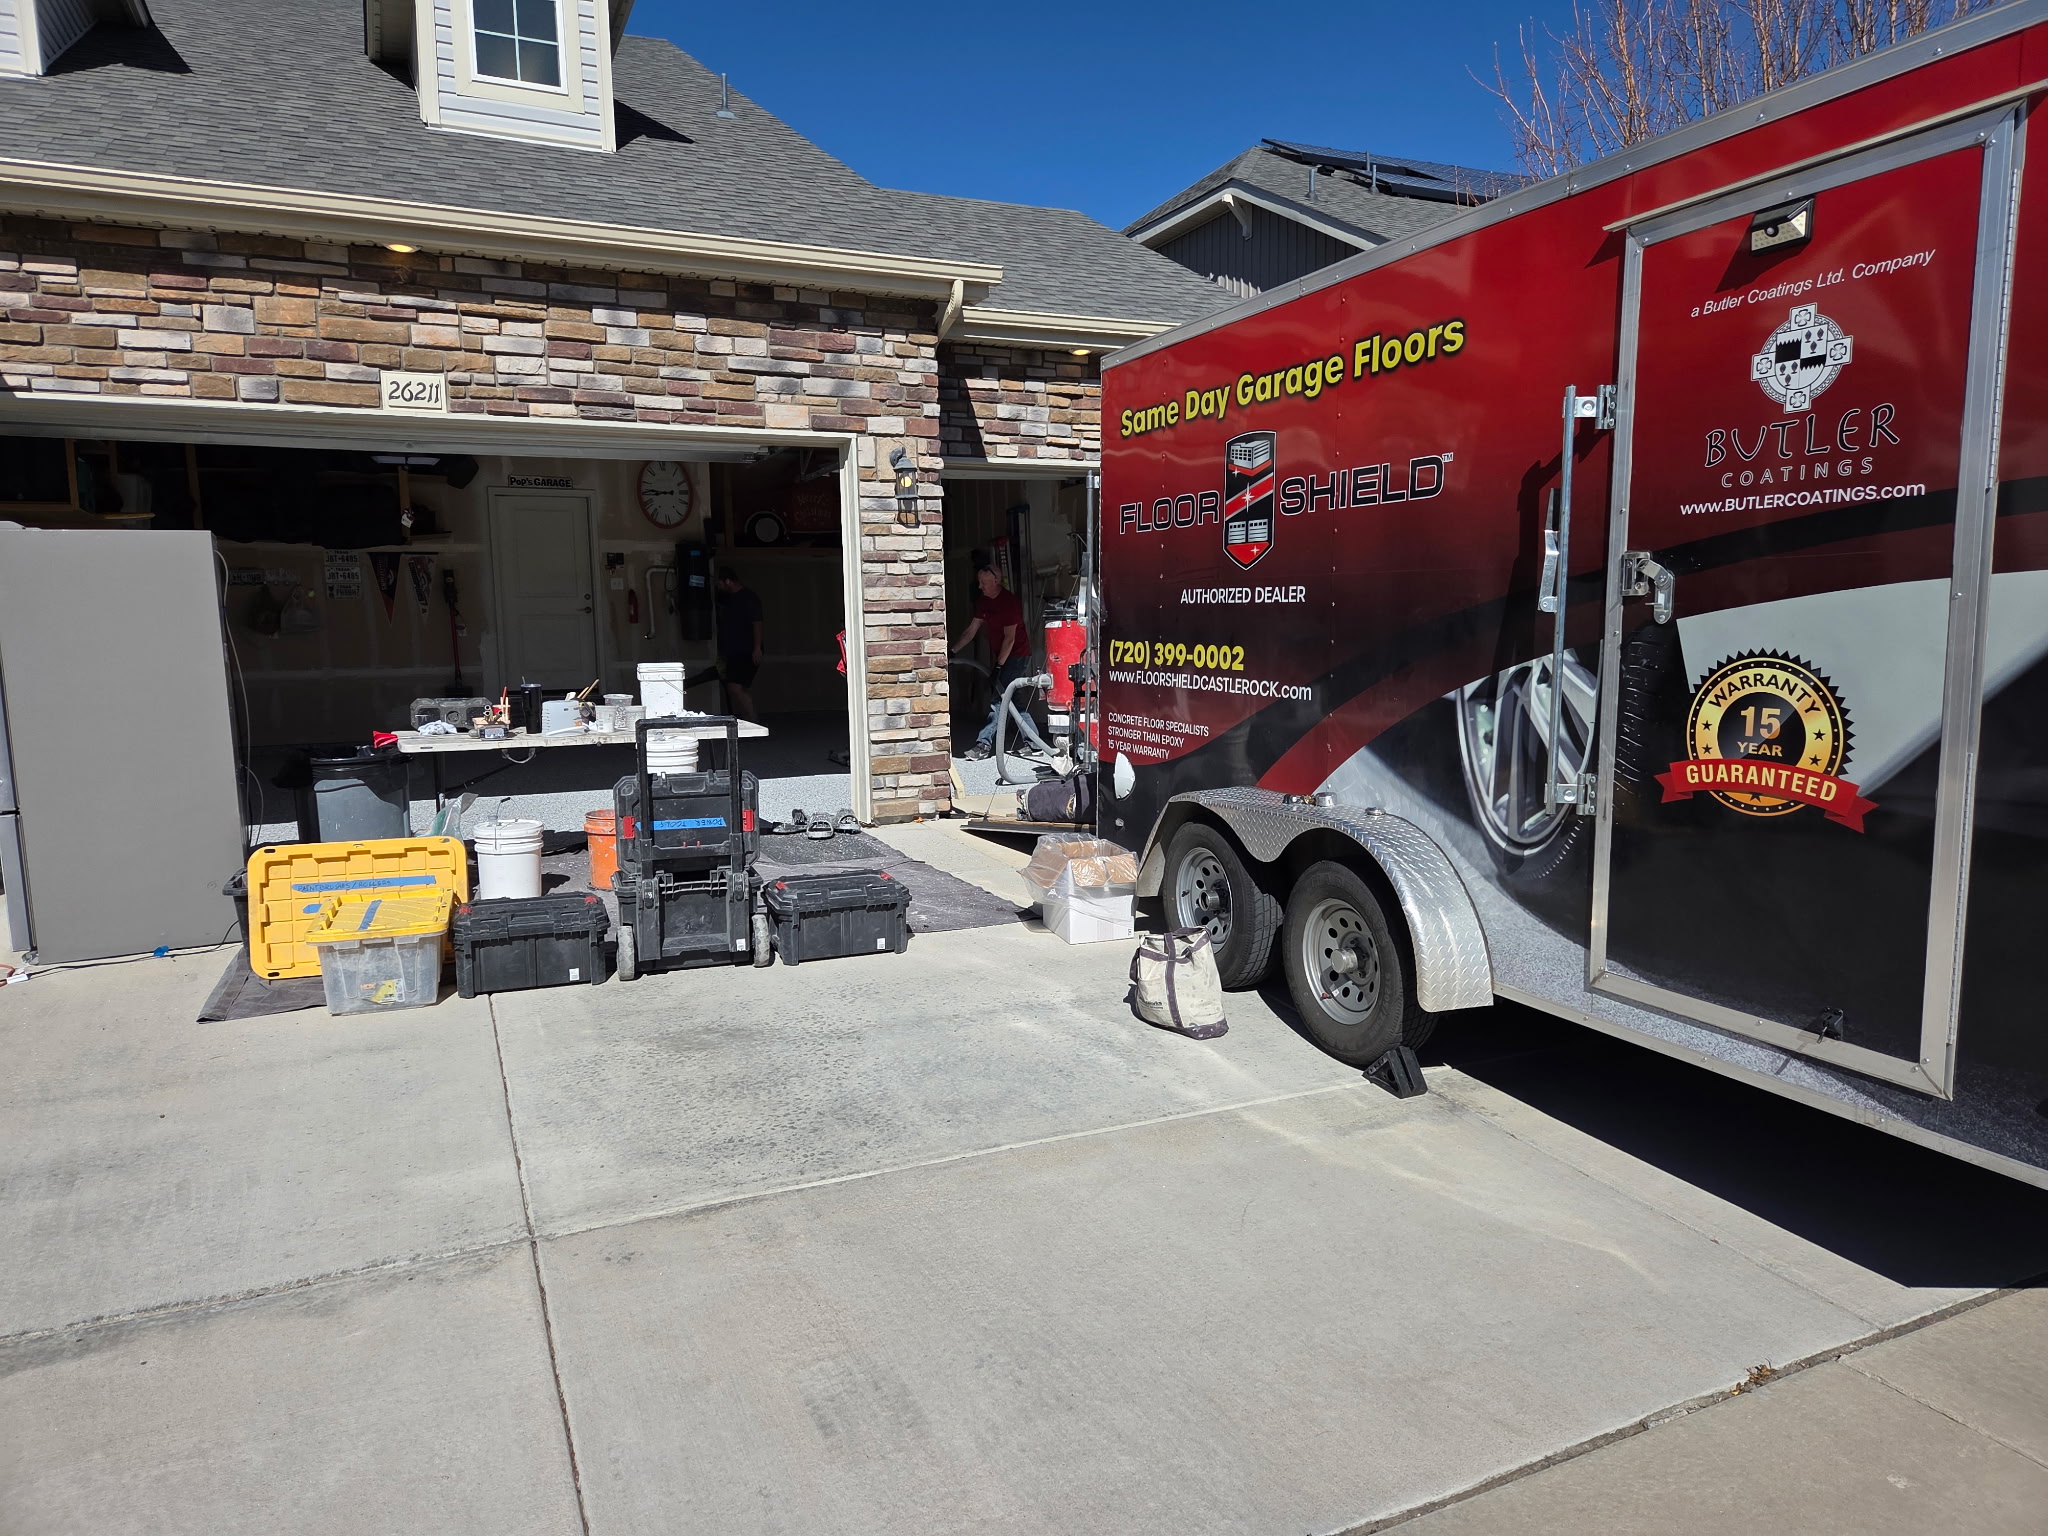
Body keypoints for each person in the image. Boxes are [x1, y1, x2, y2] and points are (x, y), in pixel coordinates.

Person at [950, 563, 1049, 760]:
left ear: (996, 581)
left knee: (1000, 699)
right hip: (1003, 656)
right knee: (1014, 701)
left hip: (1018, 655)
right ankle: (1034, 743)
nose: (980, 586)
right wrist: (952, 651)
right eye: (979, 582)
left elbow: (1010, 639)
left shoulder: (1008, 603)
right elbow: (971, 631)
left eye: (983, 582)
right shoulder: (984, 602)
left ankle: (983, 744)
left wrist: (998, 666)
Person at [714, 568, 764, 722]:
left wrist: (757, 648)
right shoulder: (727, 598)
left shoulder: (748, 598)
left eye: (719, 583)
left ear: (728, 581)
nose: (718, 587)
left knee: (735, 687)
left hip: (746, 650)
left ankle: (753, 722)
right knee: (737, 688)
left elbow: (757, 623)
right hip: (734, 650)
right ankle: (749, 720)